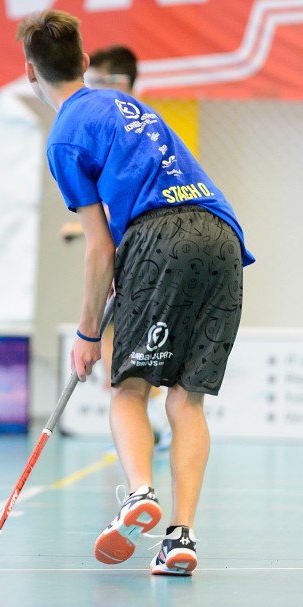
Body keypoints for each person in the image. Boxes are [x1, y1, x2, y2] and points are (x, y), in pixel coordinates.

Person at [17, 10, 253, 576]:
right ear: (83, 60)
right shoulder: (133, 107)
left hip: (159, 235)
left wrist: (87, 332)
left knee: (129, 387)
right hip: (222, 235)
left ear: (31, 73)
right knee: (187, 397)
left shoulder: (65, 137)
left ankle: (139, 494)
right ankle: (180, 538)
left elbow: (100, 249)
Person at [61, 44, 172, 450]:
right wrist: (81, 228)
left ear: (121, 84)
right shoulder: (112, 125)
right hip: (125, 256)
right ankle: (148, 425)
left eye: (102, 82)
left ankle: (154, 422)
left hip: (146, 258)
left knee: (130, 356)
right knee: (117, 354)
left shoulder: (148, 130)